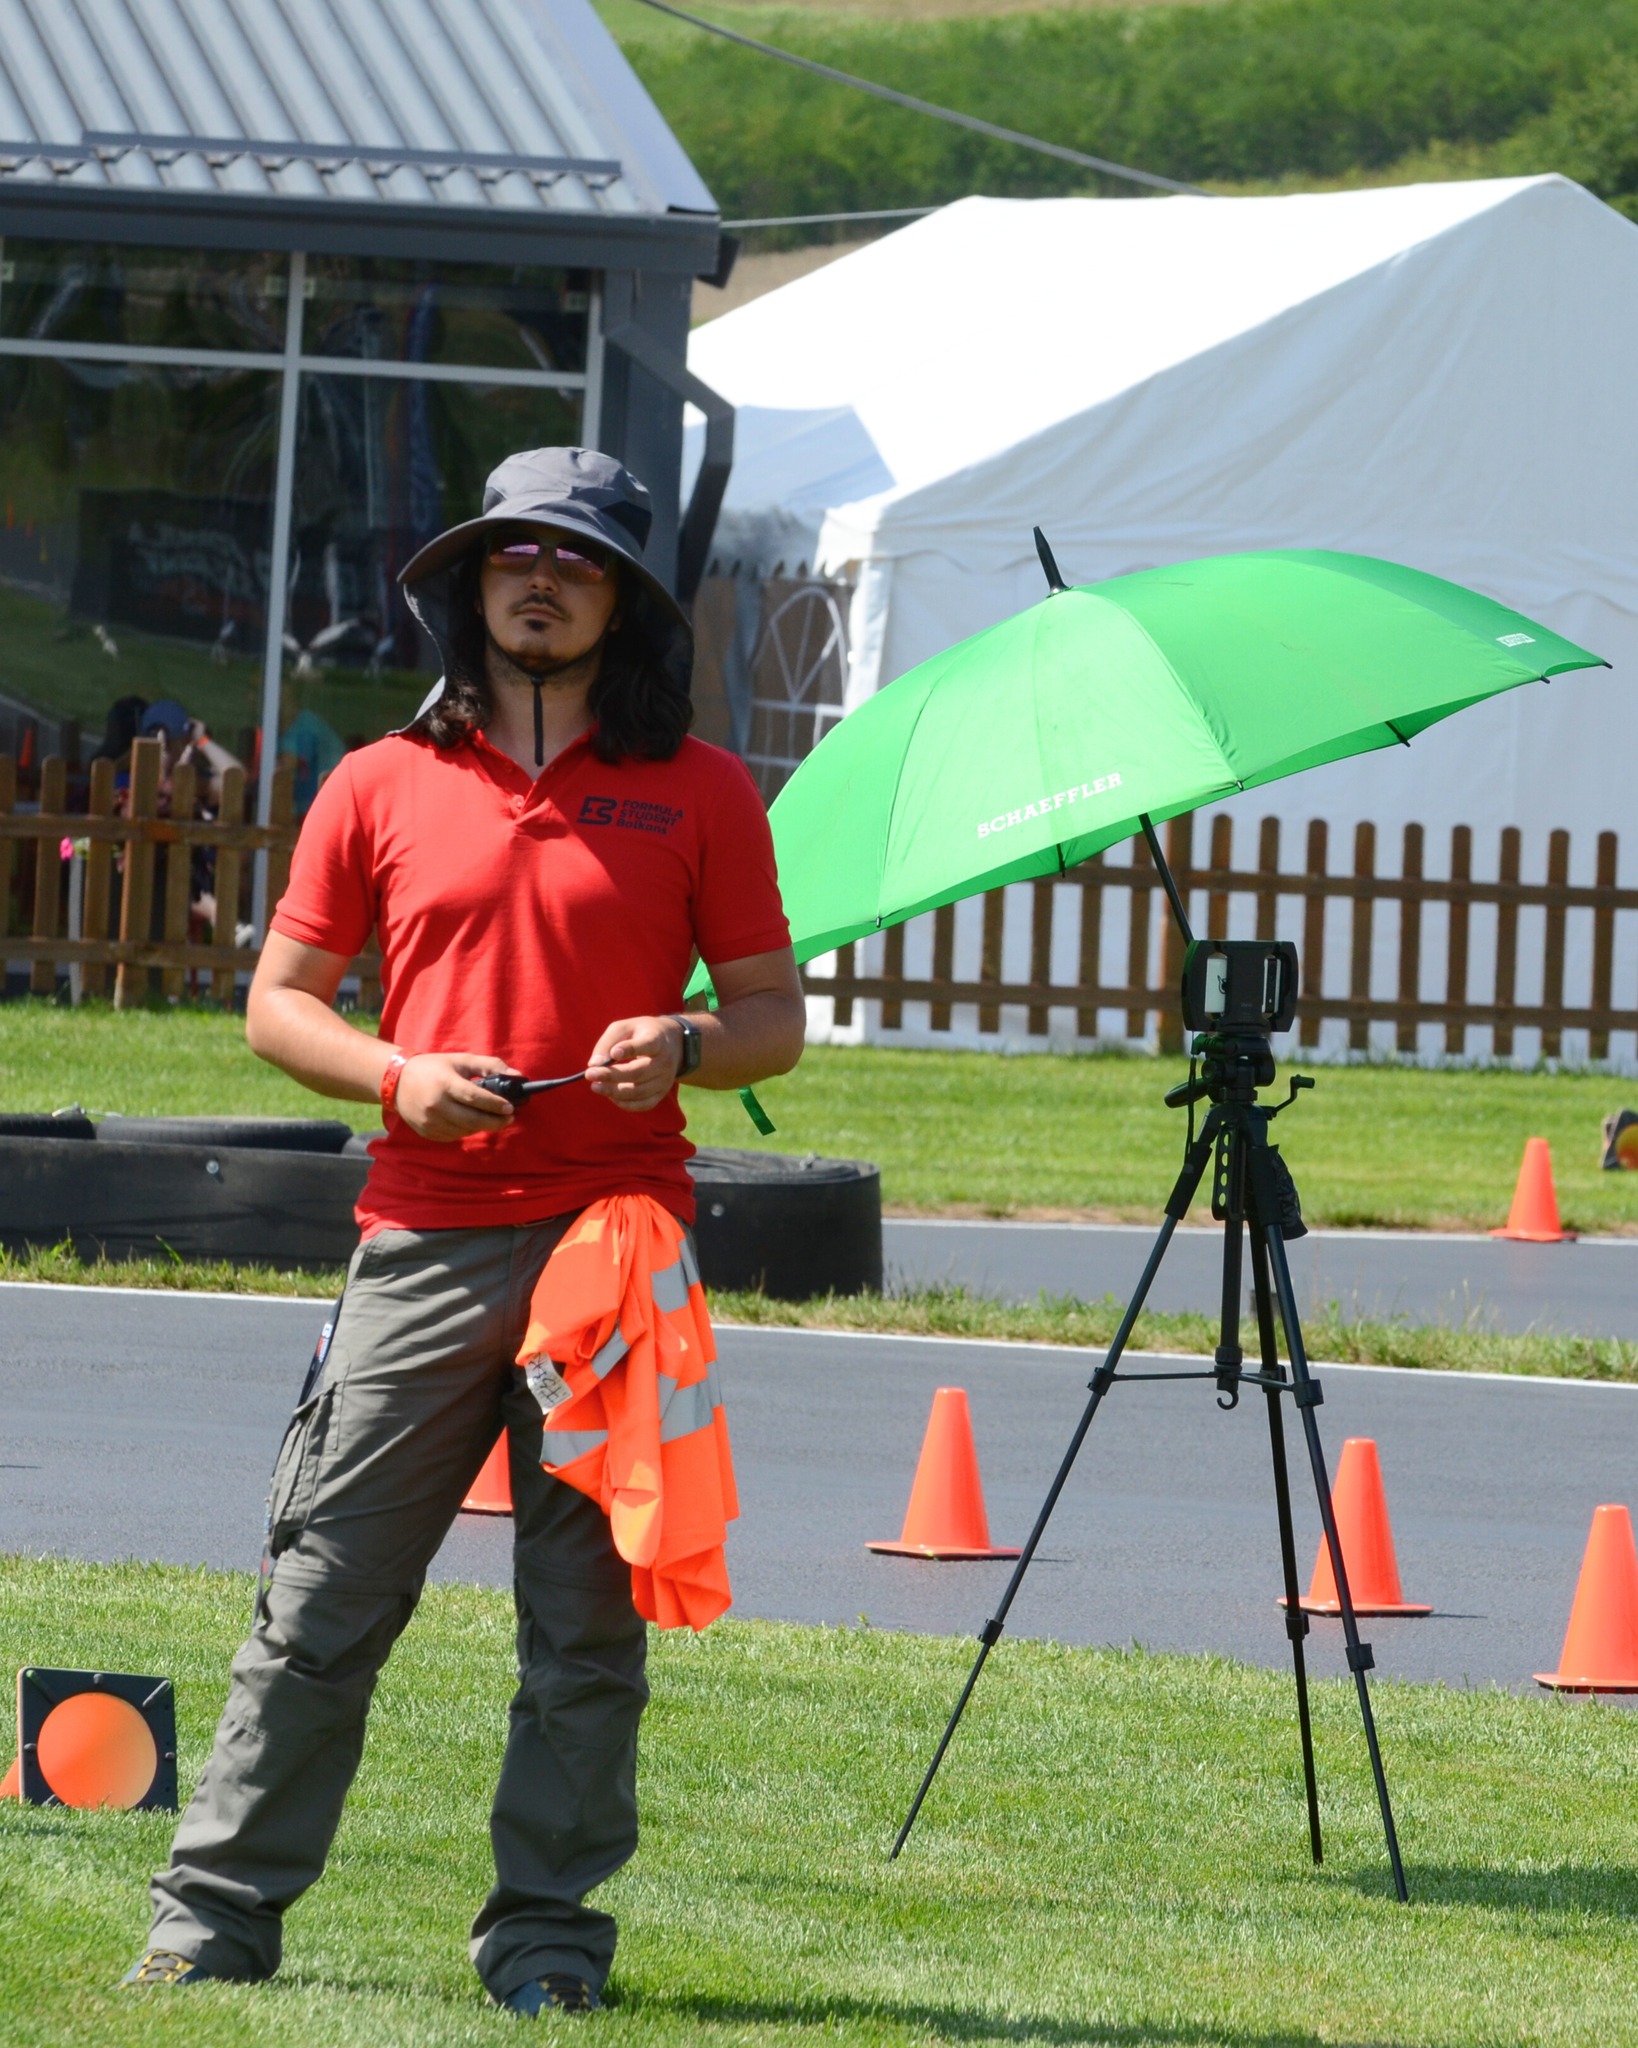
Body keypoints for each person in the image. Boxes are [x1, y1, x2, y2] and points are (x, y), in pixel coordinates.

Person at [122, 449, 807, 2013]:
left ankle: (548, 1948)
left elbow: (771, 1019)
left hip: (618, 1250)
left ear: (620, 597)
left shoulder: (702, 790)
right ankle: (213, 1920)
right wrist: (398, 1076)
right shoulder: (377, 780)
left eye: (571, 561)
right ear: (471, 590)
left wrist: (686, 1044)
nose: (538, 580)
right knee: (319, 1599)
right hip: (420, 1244)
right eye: (512, 558)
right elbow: (277, 1008)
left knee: (584, 1639)